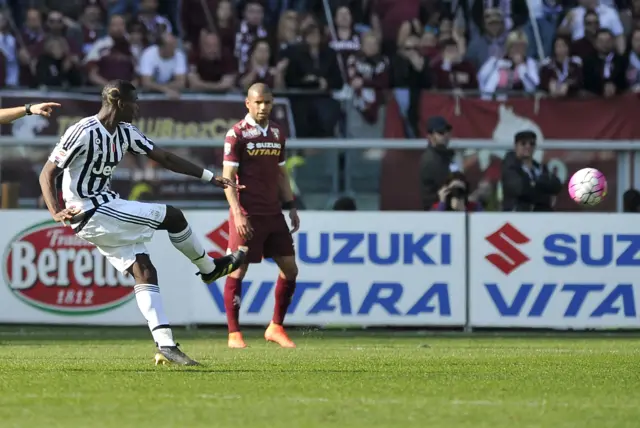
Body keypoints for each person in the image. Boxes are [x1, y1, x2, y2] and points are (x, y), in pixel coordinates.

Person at [38, 80, 247, 366]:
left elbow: (164, 158)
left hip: (105, 208)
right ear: (118, 102)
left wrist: (211, 177)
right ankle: (209, 268)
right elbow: (47, 173)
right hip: (91, 210)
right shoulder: (83, 132)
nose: (138, 107)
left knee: (144, 270)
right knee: (173, 216)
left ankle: (167, 345)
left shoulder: (126, 132)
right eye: (134, 101)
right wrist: (55, 210)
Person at [222, 83, 300, 349]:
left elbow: (281, 173)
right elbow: (228, 179)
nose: (263, 107)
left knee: (290, 269)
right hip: (247, 213)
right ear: (248, 103)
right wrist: (237, 214)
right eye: (258, 102)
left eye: (267, 102)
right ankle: (234, 334)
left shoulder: (278, 132)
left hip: (273, 213)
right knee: (237, 270)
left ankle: (275, 327)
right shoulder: (237, 134)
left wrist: (290, 205)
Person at [501, 130, 562, 211]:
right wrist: (544, 194)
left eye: (531, 144)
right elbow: (520, 189)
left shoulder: (539, 168)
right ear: (515, 146)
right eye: (523, 143)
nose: (528, 146)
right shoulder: (509, 166)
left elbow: (556, 185)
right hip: (517, 215)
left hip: (541, 215)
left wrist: (534, 184)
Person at [420, 116, 460, 211]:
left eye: (447, 131)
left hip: (444, 207)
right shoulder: (431, 159)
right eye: (441, 132)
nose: (446, 135)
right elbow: (450, 184)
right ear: (430, 136)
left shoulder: (444, 156)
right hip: (436, 210)